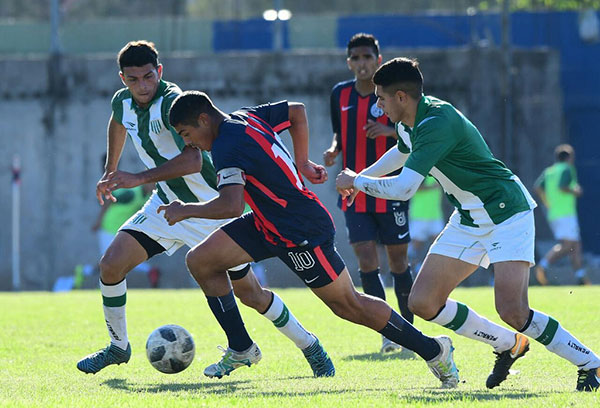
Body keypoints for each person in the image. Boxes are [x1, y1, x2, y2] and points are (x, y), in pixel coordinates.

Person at [161, 90, 460, 389]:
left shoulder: (226, 145)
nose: (188, 142)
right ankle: (241, 347)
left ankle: (433, 350)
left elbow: (231, 206)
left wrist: (184, 210)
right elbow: (296, 111)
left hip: (299, 230)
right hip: (267, 222)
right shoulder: (245, 115)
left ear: (203, 119)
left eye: (187, 133)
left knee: (348, 305)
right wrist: (302, 162)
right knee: (201, 260)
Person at [335, 57, 600, 391]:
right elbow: (402, 152)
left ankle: (592, 364)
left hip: (506, 213)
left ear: (401, 97)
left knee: (513, 311)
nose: (377, 105)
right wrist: (361, 177)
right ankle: (508, 344)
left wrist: (356, 182)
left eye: (381, 98)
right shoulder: (408, 122)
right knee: (423, 303)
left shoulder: (436, 122)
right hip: (468, 217)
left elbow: (404, 187)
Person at [77, 41, 335, 379]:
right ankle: (118, 346)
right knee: (110, 265)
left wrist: (137, 177)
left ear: (160, 72)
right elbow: (117, 122)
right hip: (165, 205)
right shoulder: (122, 101)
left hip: (207, 207)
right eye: (133, 79)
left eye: (148, 77)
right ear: (122, 78)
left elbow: (193, 158)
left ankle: (309, 346)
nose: (142, 86)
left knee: (251, 295)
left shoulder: (173, 103)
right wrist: (111, 171)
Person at [323, 33, 412, 353]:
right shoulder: (340, 94)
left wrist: (388, 131)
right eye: (356, 59)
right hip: (354, 191)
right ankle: (388, 331)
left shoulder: (392, 93)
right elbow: (339, 132)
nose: (362, 64)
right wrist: (334, 150)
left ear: (379, 58)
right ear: (349, 63)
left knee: (398, 261)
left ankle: (410, 327)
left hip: (390, 190)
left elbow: (411, 130)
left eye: (367, 58)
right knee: (365, 258)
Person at [533, 144, 590, 286]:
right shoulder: (567, 168)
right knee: (568, 245)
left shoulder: (549, 171)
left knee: (575, 245)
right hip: (565, 213)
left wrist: (547, 202)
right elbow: (562, 186)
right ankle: (543, 265)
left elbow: (537, 187)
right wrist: (575, 191)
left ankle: (581, 277)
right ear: (569, 157)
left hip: (555, 213)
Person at [408, 175, 444, 274]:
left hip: (435, 215)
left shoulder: (438, 176)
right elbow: (413, 188)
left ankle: (437, 271)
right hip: (419, 215)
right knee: (415, 247)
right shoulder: (420, 174)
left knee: (440, 244)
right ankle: (412, 271)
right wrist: (432, 187)